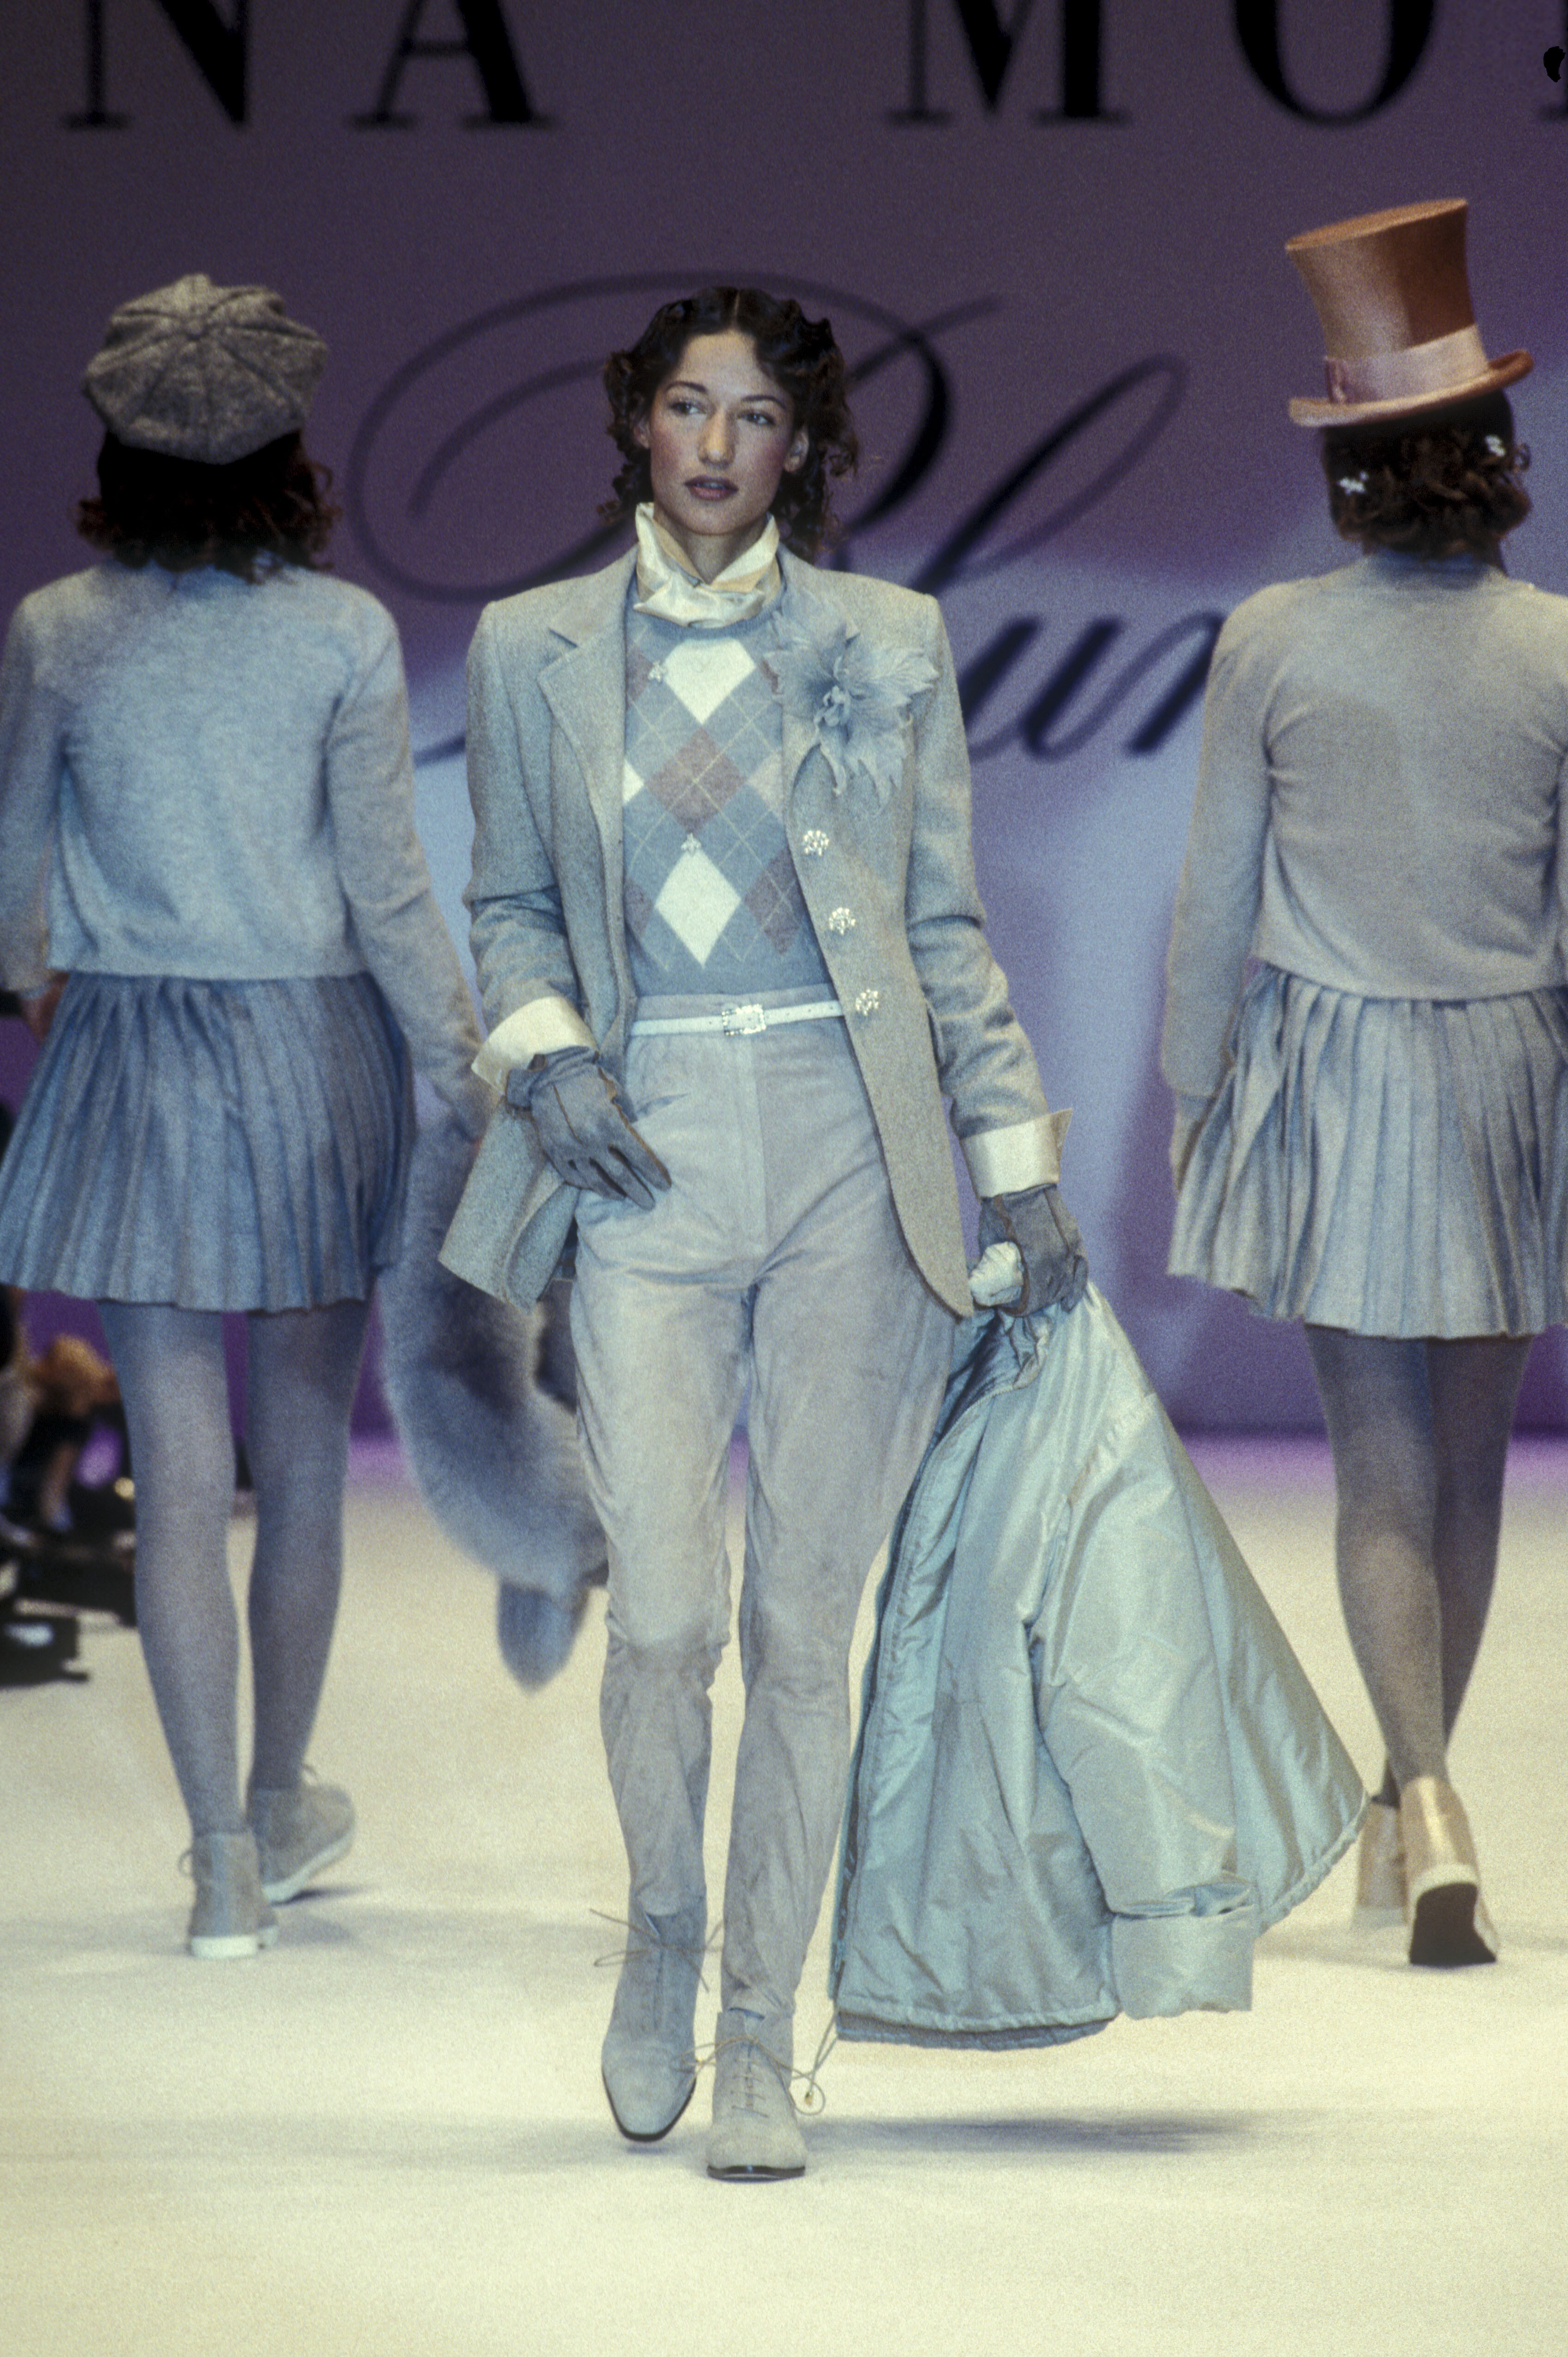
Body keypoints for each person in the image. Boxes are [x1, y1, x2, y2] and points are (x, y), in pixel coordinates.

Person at [441, 286, 1087, 2177]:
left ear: (805, 448)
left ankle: (749, 2027)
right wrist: (549, 1059)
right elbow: (507, 904)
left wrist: (1017, 1165)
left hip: (844, 1153)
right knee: (663, 1616)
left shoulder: (888, 640)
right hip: (639, 1151)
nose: (716, 444)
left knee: (807, 1620)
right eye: (686, 406)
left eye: (755, 415)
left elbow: (942, 926)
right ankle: (660, 1934)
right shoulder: (531, 646)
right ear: (636, 423)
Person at [0, 275, 489, 1957]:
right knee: (302, 1459)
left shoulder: (58, 629)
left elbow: (12, 870)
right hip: (310, 1054)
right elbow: (389, 888)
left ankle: (217, 1861)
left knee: (177, 1462)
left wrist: (40, 982)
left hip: (133, 1052)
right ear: (288, 448)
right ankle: (279, 1805)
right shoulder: (340, 634)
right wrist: (466, 1065)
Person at [1163, 201, 1566, 1968]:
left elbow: (1211, 899)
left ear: (1349, 464)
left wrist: (1193, 1095)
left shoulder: (1273, 637)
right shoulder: (1561, 650)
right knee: (1470, 1477)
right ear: (1495, 456)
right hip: (1507, 1080)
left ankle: (1424, 1800)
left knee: (1381, 1481)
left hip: (1335, 1080)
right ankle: (1423, 1803)